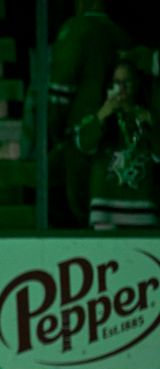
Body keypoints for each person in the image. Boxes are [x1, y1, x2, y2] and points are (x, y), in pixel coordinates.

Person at [46, 0, 130, 227]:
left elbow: (59, 92)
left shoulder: (76, 29)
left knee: (67, 207)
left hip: (81, 137)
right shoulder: (121, 34)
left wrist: (55, 134)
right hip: (116, 138)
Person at [74, 60, 159, 228]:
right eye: (116, 82)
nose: (122, 88)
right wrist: (101, 117)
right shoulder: (97, 115)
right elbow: (83, 145)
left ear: (137, 83)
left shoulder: (149, 116)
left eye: (126, 81)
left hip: (143, 210)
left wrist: (153, 125)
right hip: (104, 209)